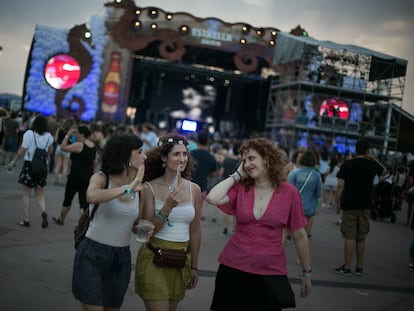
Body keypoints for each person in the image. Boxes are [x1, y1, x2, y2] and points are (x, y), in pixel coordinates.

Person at [207, 138, 311, 310]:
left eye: (252, 158)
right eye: (244, 160)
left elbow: (300, 235)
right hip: (233, 268)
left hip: (270, 272)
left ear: (267, 159)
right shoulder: (241, 188)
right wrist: (237, 175)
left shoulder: (289, 193)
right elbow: (212, 198)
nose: (247, 164)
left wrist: (306, 272)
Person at [72, 134, 148, 310]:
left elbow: (137, 225)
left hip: (121, 258)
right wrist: (127, 188)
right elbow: (91, 196)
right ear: (124, 155)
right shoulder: (101, 178)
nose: (144, 156)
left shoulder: (139, 188)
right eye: (140, 152)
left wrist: (143, 229)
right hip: (92, 252)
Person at [135, 134, 202, 311]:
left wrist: (194, 266)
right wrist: (167, 208)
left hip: (181, 260)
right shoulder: (149, 188)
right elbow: (143, 233)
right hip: (155, 258)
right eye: (176, 154)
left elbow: (195, 230)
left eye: (185, 154)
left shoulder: (194, 189)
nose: (182, 159)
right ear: (164, 158)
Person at [333, 140, 384, 277]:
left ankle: (347, 268)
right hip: (365, 205)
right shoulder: (372, 164)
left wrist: (336, 202)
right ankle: (359, 268)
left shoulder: (348, 164)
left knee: (349, 236)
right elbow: (384, 172)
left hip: (349, 205)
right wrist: (373, 158)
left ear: (356, 150)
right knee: (361, 238)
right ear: (368, 150)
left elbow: (340, 185)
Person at [6, 115, 54, 228]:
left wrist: (12, 163)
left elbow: (22, 150)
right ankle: (43, 211)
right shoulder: (49, 136)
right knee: (40, 193)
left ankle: (26, 220)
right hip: (42, 167)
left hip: (29, 167)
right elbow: (50, 151)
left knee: (26, 194)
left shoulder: (29, 134)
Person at [52, 125, 97, 225]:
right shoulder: (93, 146)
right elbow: (95, 162)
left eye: (76, 133)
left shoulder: (79, 145)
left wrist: (67, 135)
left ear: (82, 134)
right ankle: (83, 225)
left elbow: (63, 147)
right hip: (87, 177)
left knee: (68, 199)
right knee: (83, 203)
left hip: (75, 176)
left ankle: (61, 219)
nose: (74, 134)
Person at [288, 150, 322, 240]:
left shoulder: (294, 173)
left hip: (294, 207)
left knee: (293, 230)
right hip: (308, 207)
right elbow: (319, 193)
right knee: (303, 235)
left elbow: (288, 192)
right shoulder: (317, 175)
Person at [191, 131, 217, 219]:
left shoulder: (191, 154)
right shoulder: (211, 157)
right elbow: (213, 174)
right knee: (197, 213)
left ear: (197, 140)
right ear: (208, 141)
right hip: (202, 187)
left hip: (189, 186)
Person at [52, 118, 73, 185]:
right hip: (67, 148)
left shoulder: (59, 129)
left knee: (58, 165)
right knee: (65, 166)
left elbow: (55, 139)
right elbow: (73, 141)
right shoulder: (71, 132)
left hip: (59, 147)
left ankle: (56, 180)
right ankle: (64, 181)